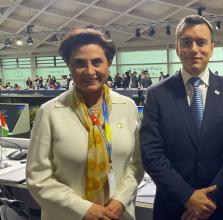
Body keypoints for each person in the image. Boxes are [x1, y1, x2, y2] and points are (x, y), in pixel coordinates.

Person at [140, 15, 223, 220]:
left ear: (212, 47)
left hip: (220, 209)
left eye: (201, 42)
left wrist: (210, 201)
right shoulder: (157, 94)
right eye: (186, 42)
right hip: (174, 209)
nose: (194, 49)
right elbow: (152, 155)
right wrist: (187, 197)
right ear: (177, 47)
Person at [26, 28, 144, 220]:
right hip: (69, 216)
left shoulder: (127, 107)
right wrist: (83, 209)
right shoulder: (50, 112)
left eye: (97, 62)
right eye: (79, 63)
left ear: (109, 64)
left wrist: (120, 201)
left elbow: (137, 164)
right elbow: (38, 178)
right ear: (69, 67)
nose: (90, 71)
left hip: (117, 214)